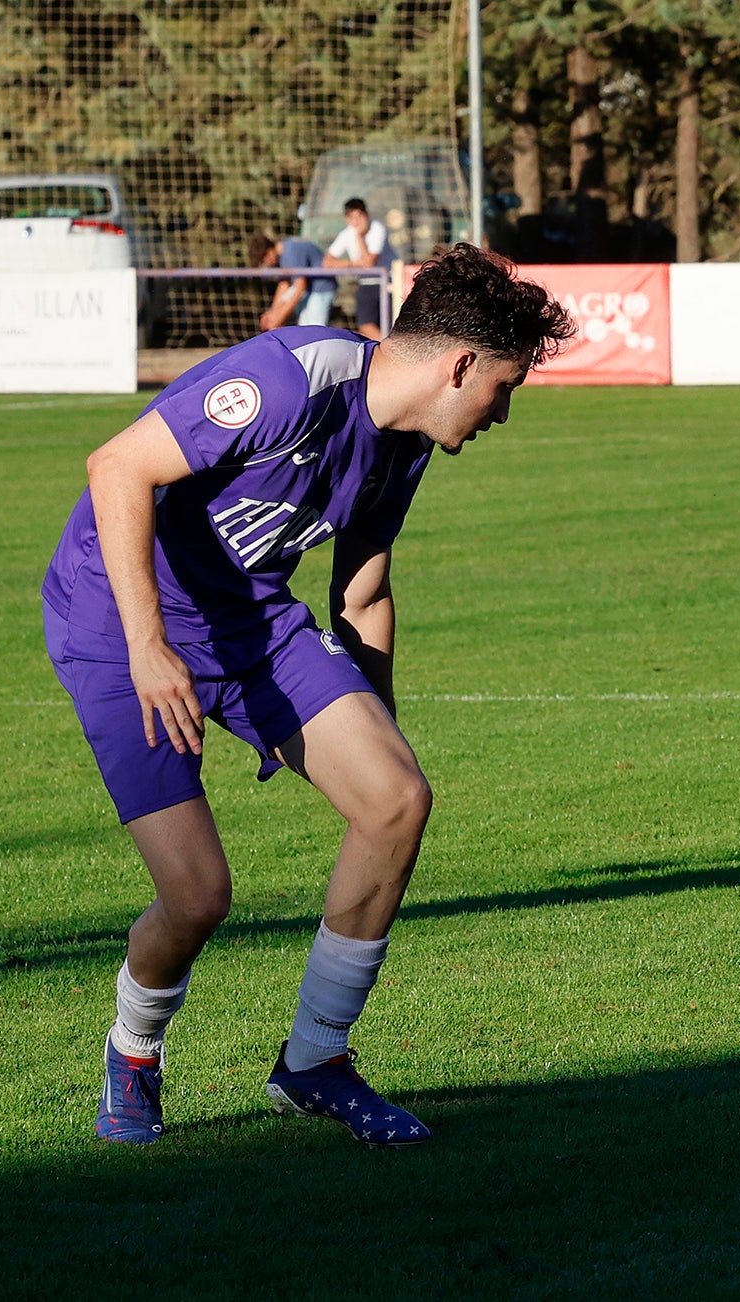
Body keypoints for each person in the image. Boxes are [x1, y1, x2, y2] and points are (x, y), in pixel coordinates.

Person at [42, 243, 576, 1145]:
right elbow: (116, 470)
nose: (503, 413)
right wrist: (147, 648)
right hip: (116, 620)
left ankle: (315, 1062)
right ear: (458, 365)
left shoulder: (403, 447)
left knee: (396, 799)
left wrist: (370, 734)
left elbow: (361, 595)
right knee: (200, 896)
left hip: (250, 622)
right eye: (506, 387)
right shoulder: (294, 378)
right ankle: (134, 1051)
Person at [324, 198, 397, 341]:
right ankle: (387, 350)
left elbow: (369, 262)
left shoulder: (377, 228)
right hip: (366, 283)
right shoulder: (346, 234)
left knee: (391, 326)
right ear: (347, 219)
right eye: (352, 217)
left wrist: (359, 237)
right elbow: (327, 262)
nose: (356, 222)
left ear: (366, 215)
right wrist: (353, 263)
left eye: (359, 216)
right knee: (365, 326)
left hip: (387, 282)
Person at [247, 230, 336, 331]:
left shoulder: (291, 252)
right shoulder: (282, 256)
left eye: (263, 261)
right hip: (309, 291)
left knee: (315, 330)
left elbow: (300, 286)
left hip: (321, 288)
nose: (266, 266)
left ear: (269, 252)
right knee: (304, 329)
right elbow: (284, 284)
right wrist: (273, 313)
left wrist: (279, 319)